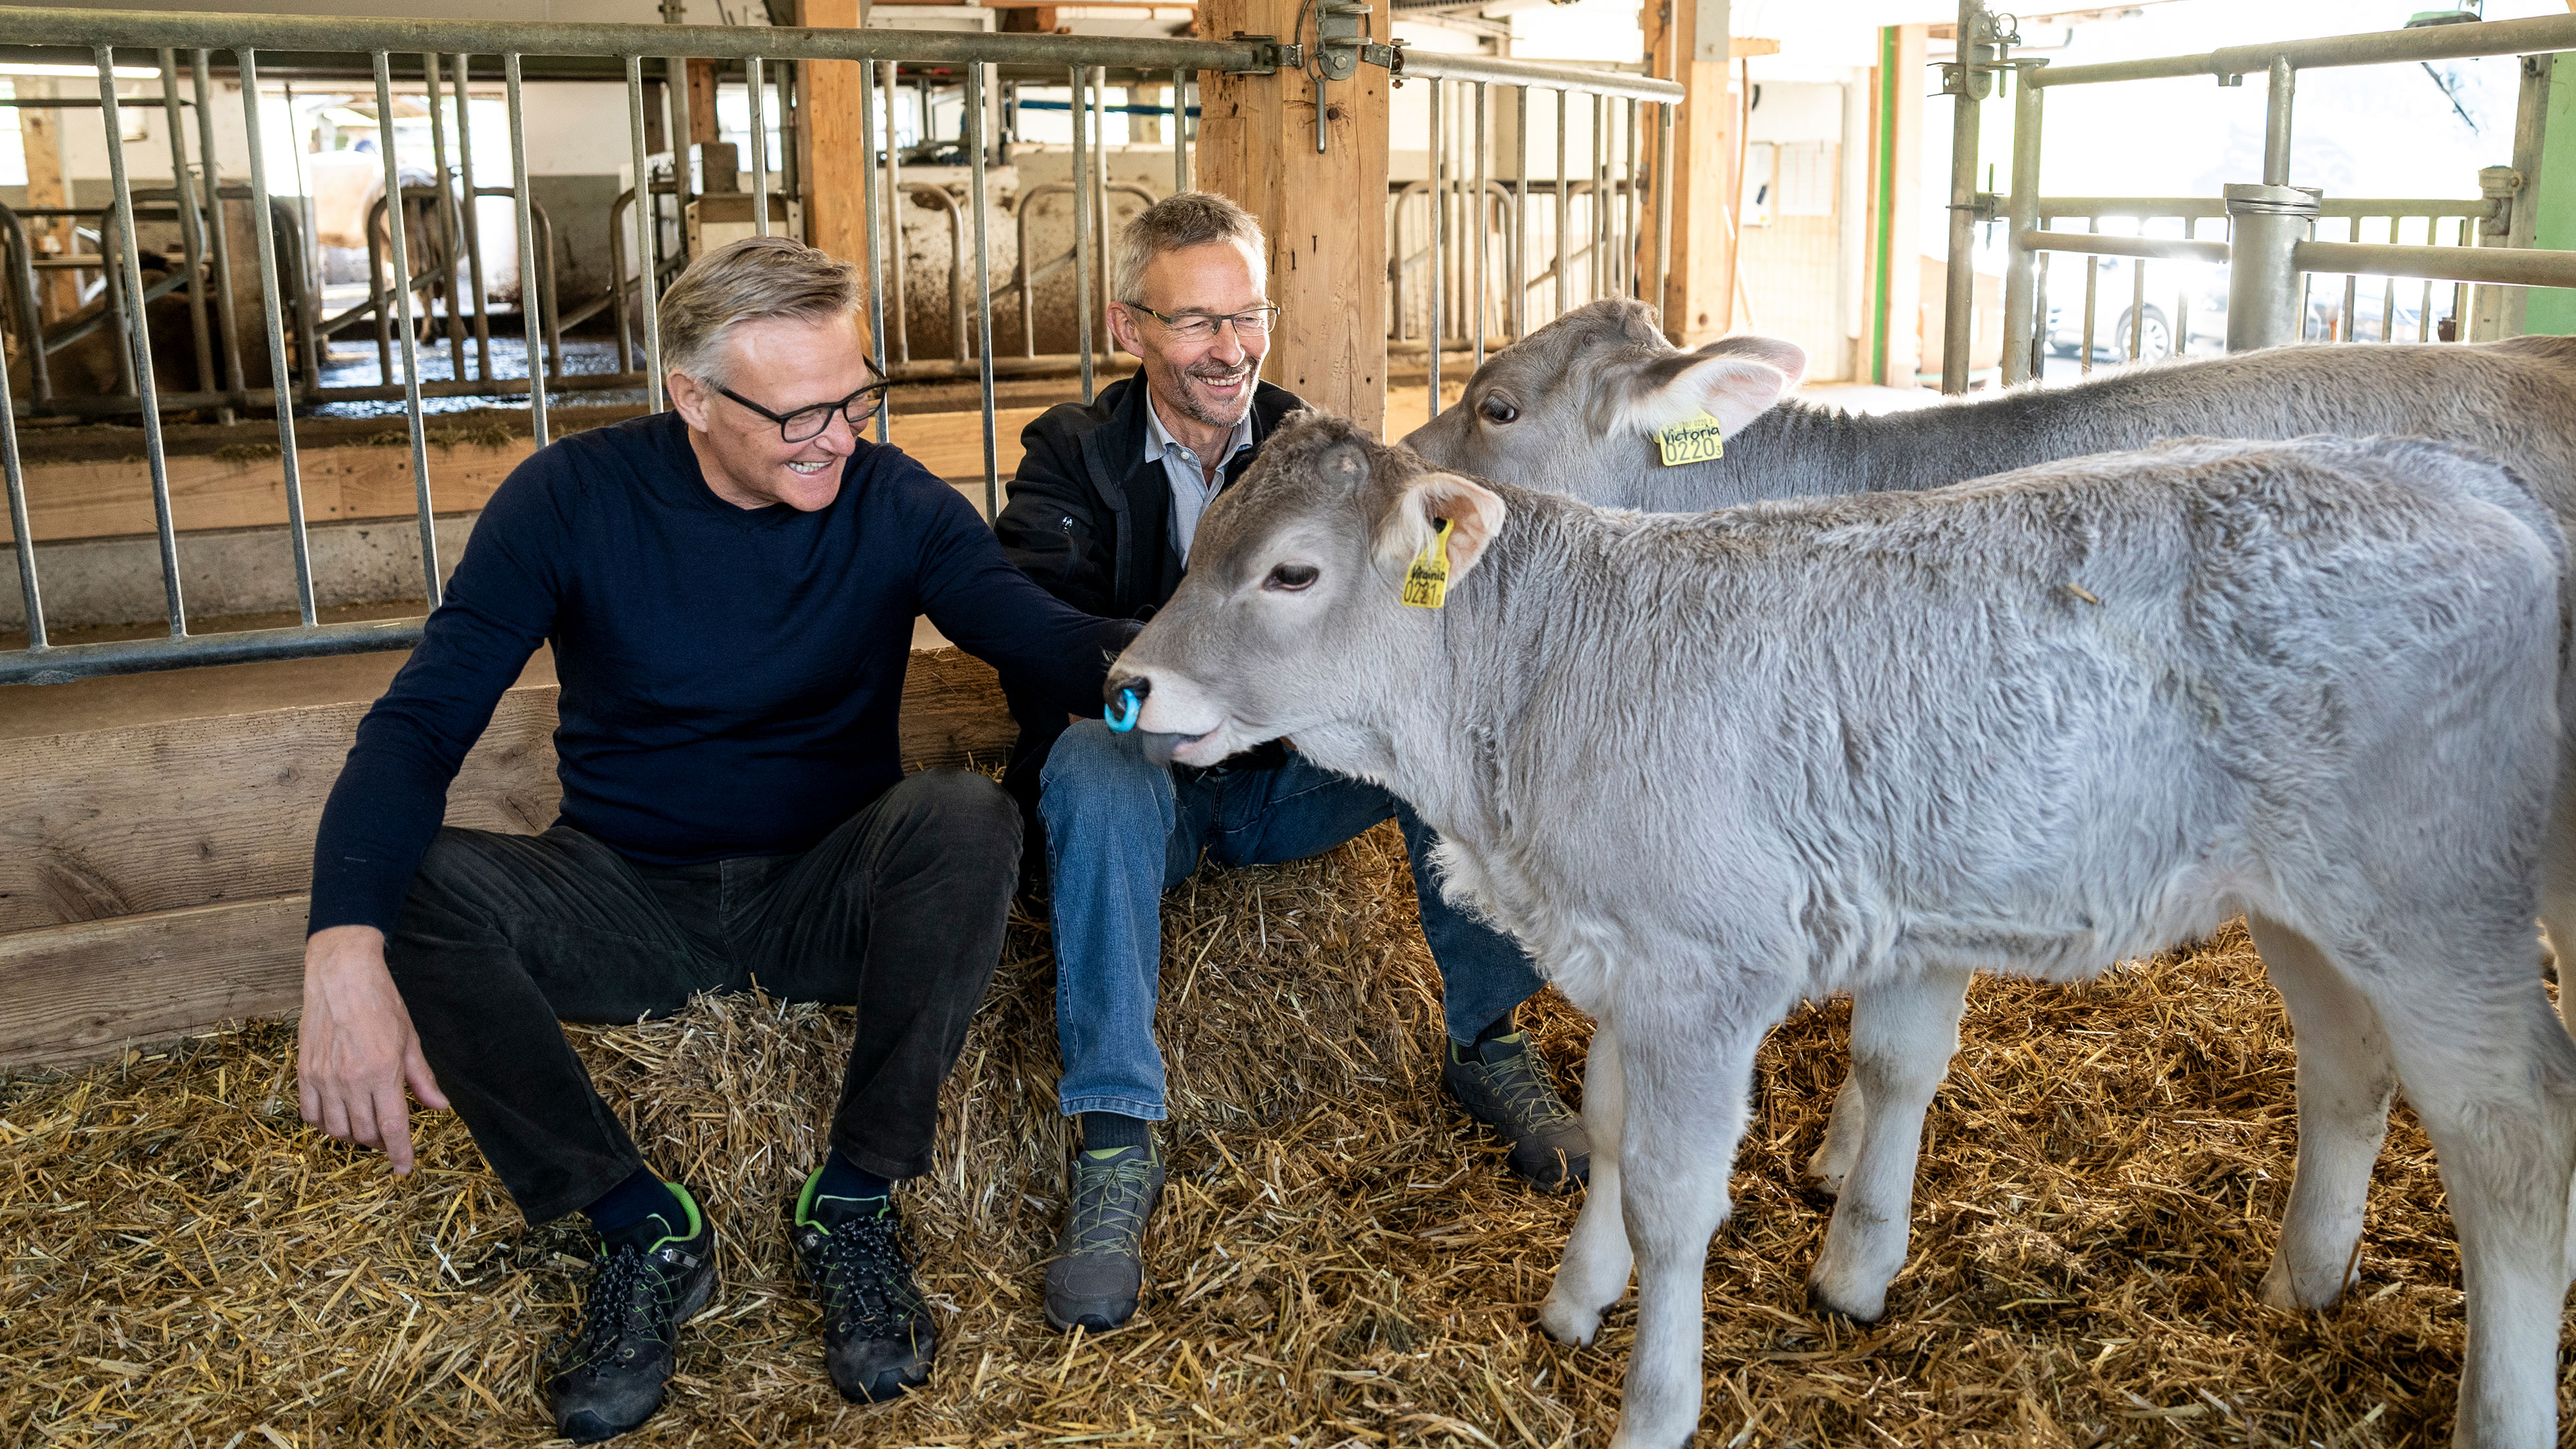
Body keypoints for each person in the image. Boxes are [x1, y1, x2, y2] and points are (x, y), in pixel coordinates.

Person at [295, 237, 1136, 1442]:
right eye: (801, 412)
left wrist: (1192, 678)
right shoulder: (569, 498)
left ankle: (853, 1198)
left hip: (821, 895)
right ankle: (637, 1222)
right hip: (622, 897)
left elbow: (1043, 637)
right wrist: (340, 945)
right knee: (417, 885)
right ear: (691, 397)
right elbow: (424, 723)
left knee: (964, 813)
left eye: (858, 397)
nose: (838, 435)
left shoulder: (891, 499)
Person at [995, 193, 1591, 1336]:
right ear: (1130, 328)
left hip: (1290, 783)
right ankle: (1119, 1137)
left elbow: (1414, 605)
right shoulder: (1068, 456)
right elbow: (1035, 637)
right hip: (1155, 786)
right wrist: (1195, 675)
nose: (1231, 349)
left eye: (1249, 317)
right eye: (1196, 323)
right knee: (1083, 760)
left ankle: (1488, 1039)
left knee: (1425, 715)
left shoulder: (1320, 453)